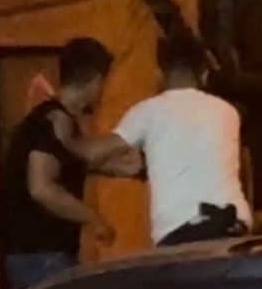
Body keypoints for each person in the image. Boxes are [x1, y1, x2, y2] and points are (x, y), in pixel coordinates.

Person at [0, 37, 139, 289]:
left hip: (36, 258)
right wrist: (95, 220)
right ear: (96, 81)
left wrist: (118, 166)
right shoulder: (56, 120)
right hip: (42, 258)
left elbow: (72, 160)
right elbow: (42, 188)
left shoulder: (50, 119)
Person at [104, 35, 252, 246]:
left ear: (159, 74)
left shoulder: (148, 111)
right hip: (234, 224)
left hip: (180, 230)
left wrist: (66, 144)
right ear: (204, 74)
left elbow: (95, 152)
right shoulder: (228, 111)